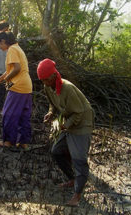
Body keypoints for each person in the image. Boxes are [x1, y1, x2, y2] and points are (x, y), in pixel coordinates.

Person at [37, 58, 94, 206]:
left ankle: (77, 195)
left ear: (53, 76)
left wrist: (65, 126)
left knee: (79, 159)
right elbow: (53, 103)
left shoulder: (67, 88)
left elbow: (79, 112)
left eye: (46, 80)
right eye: (42, 80)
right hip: (68, 121)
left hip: (82, 123)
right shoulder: (48, 87)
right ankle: (72, 179)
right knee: (57, 151)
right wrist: (51, 112)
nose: (44, 83)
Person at [0, 31, 33, 149]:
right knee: (23, 115)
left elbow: (16, 68)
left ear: (3, 41)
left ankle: (9, 142)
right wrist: (0, 79)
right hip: (27, 86)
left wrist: (6, 79)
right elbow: (10, 69)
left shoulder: (12, 49)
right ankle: (23, 142)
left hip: (18, 86)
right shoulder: (17, 48)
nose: (0, 48)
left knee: (8, 114)